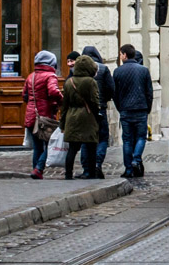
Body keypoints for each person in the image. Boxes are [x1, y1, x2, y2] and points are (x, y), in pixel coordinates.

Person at [113, 43, 152, 178]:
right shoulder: (144, 70)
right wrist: (148, 108)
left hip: (126, 109)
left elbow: (115, 93)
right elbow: (149, 92)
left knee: (127, 140)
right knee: (141, 137)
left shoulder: (118, 71)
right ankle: (136, 159)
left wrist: (120, 107)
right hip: (141, 108)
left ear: (125, 55)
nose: (120, 57)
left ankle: (129, 169)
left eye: (120, 54)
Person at [21, 50, 62, 180]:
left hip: (31, 116)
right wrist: (61, 100)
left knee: (37, 147)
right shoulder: (50, 76)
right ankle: (39, 169)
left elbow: (24, 96)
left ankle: (36, 171)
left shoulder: (31, 76)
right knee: (51, 144)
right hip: (45, 117)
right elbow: (53, 91)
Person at [60, 54, 100, 180]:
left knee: (72, 148)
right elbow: (95, 100)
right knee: (91, 146)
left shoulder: (69, 82)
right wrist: (97, 114)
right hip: (88, 116)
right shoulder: (90, 82)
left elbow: (64, 105)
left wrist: (62, 123)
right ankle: (91, 173)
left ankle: (68, 174)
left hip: (72, 116)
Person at [82, 46, 115, 178]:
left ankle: (86, 169)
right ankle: (97, 164)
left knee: (85, 139)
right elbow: (111, 88)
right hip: (100, 108)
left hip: (83, 110)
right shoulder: (103, 69)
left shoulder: (77, 70)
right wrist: (104, 100)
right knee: (102, 138)